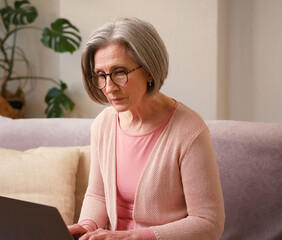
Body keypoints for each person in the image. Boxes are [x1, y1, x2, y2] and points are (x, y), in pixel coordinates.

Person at [68, 17, 225, 240]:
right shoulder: (103, 124)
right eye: (101, 75)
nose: (109, 87)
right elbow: (98, 195)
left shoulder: (189, 131)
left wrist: (134, 237)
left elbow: (208, 223)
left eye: (119, 72)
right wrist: (87, 226)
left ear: (149, 70)